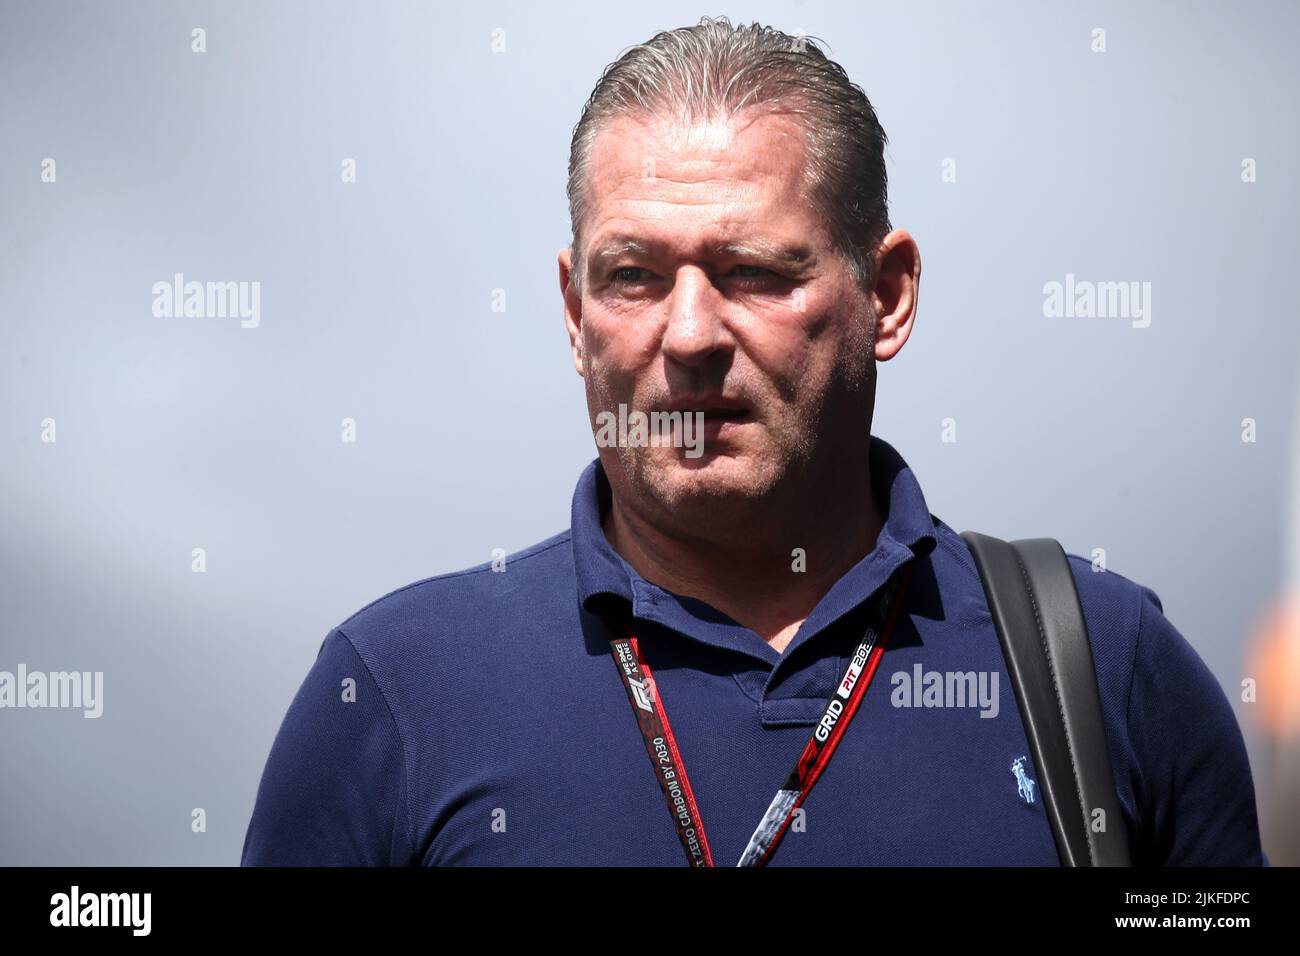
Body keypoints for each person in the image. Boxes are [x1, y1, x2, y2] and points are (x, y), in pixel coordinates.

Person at [241, 17, 1265, 866]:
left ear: (888, 296)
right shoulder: (396, 691)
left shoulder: (1099, 666)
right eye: (633, 275)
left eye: (756, 273)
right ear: (571, 309)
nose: (687, 337)